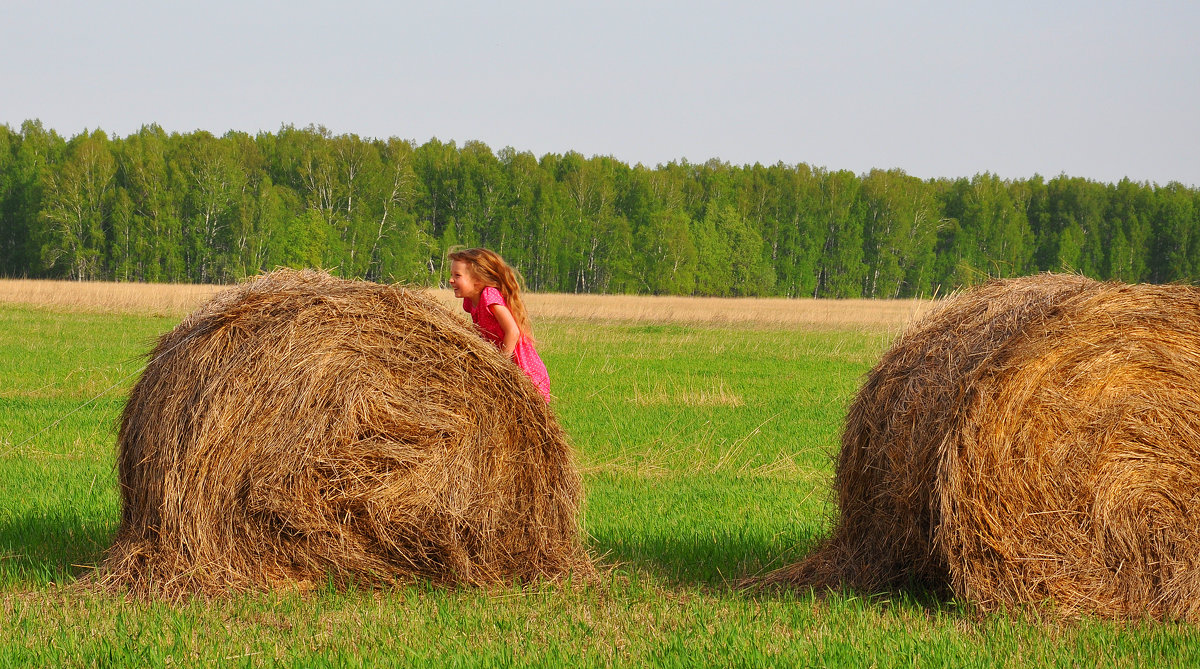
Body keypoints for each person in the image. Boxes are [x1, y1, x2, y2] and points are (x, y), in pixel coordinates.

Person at [448, 248, 551, 402]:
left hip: (524, 371)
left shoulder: (489, 295)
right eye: (451, 275)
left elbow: (513, 332)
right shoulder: (469, 302)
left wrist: (499, 366)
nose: (451, 280)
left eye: (457, 275)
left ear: (478, 280)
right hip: (507, 371)